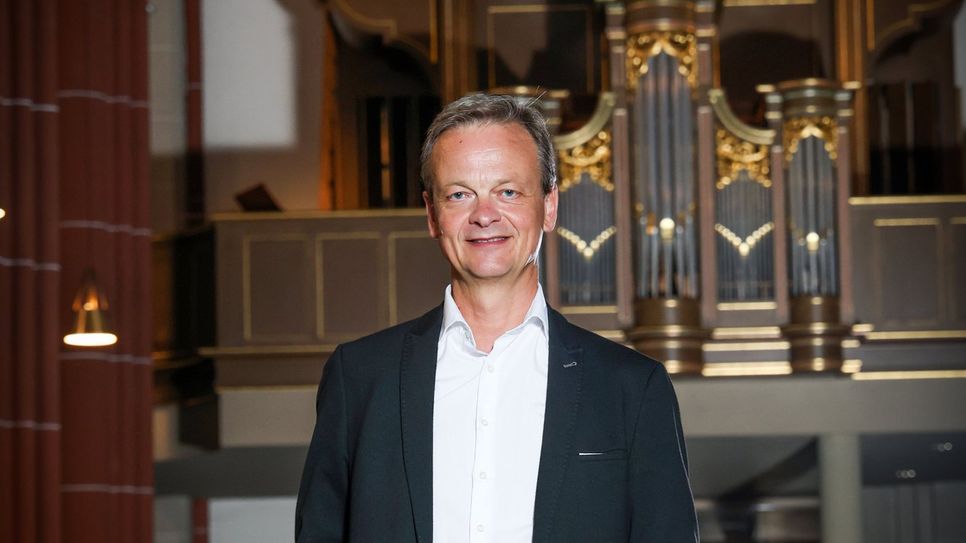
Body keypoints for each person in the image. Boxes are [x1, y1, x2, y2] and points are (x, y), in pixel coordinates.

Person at [295, 94, 698, 542]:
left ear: (549, 206)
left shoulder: (632, 388)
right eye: (459, 194)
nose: (484, 215)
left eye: (508, 192)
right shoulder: (360, 378)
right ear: (432, 214)